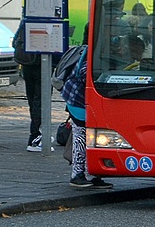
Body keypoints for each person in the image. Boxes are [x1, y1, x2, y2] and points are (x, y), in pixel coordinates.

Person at [60, 44, 112, 189]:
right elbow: (84, 74)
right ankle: (77, 175)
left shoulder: (95, 50)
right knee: (81, 135)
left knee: (92, 135)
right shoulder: (91, 54)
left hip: (82, 99)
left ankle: (94, 174)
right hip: (77, 99)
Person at [13, 17, 51, 152]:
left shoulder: (26, 20)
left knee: (33, 101)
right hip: (42, 66)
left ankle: (37, 134)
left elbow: (15, 42)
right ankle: (35, 138)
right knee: (41, 102)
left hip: (27, 65)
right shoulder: (49, 21)